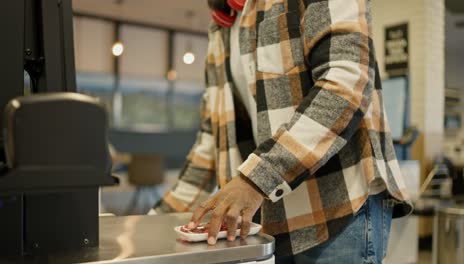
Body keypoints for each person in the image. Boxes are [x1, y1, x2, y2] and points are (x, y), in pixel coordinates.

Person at [155, 0, 413, 263]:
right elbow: (212, 140)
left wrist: (255, 180)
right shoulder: (223, 22)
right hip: (267, 224)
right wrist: (152, 222)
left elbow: (345, 86)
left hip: (337, 214)